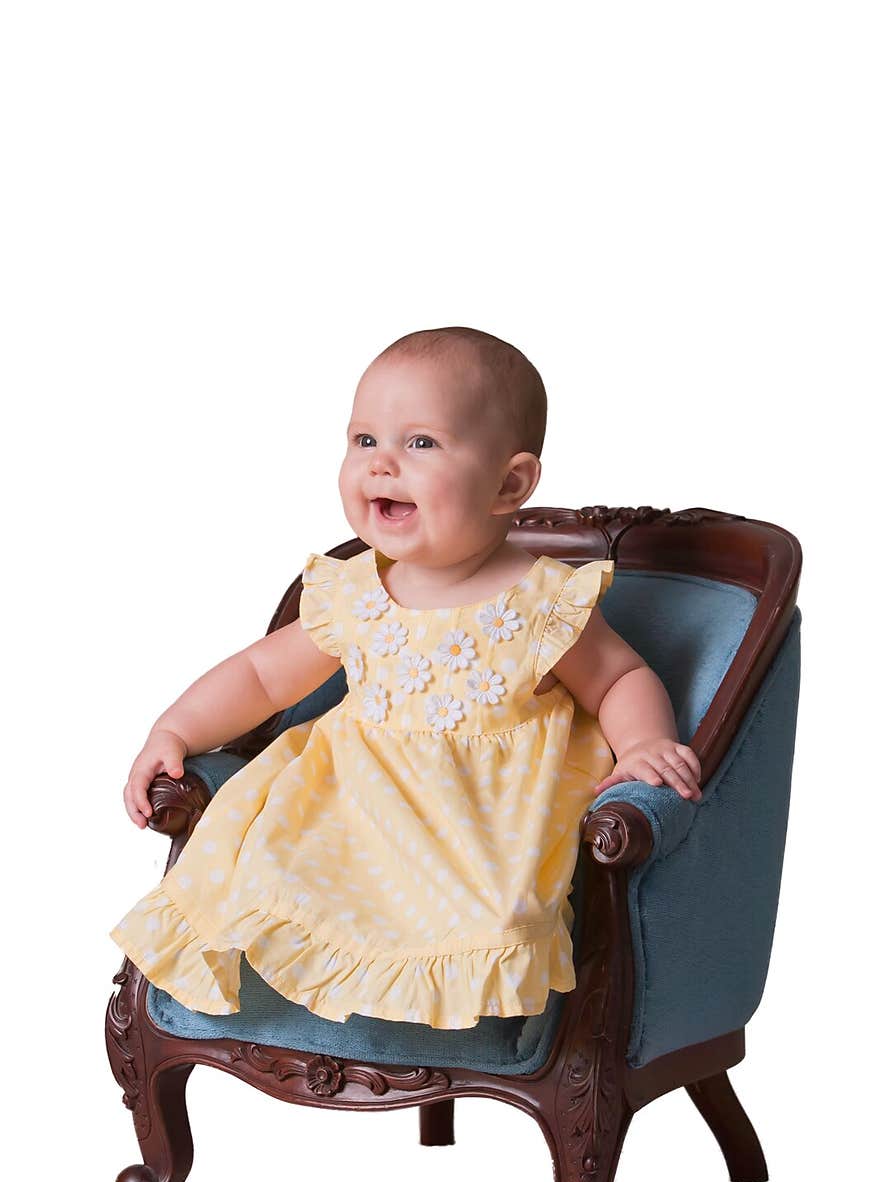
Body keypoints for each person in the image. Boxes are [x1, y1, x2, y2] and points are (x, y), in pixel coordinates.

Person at [109, 325, 701, 1029]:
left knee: (482, 908)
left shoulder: (539, 601)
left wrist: (641, 745)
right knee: (272, 862)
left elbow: (617, 679)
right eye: (364, 441)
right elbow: (264, 677)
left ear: (509, 482)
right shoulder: (357, 592)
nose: (382, 465)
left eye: (420, 443)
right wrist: (174, 728)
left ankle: (443, 993)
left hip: (476, 821)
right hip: (354, 805)